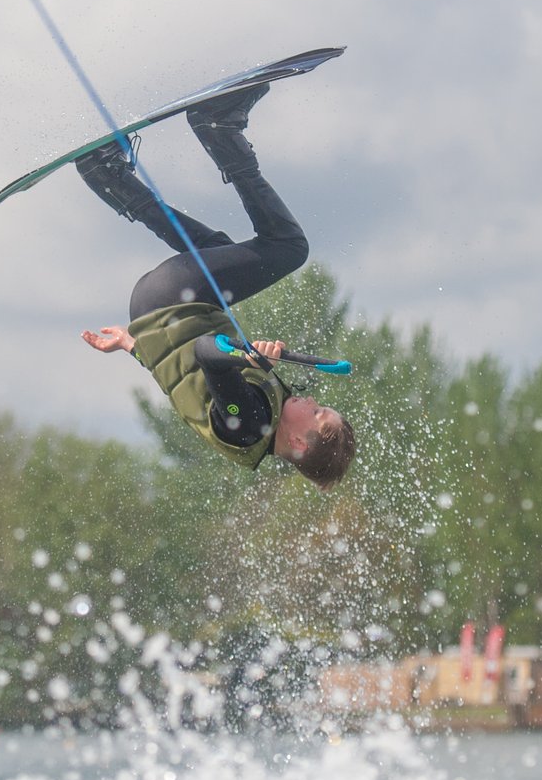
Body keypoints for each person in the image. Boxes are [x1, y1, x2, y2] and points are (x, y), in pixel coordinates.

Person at [75, 82, 355, 489]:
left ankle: (219, 128)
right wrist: (135, 347)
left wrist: (253, 357)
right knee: (224, 253)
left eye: (317, 414)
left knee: (289, 247)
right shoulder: (260, 424)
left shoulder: (249, 426)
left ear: (297, 441)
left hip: (173, 299)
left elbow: (208, 355)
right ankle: (108, 177)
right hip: (164, 306)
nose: (313, 403)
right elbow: (186, 385)